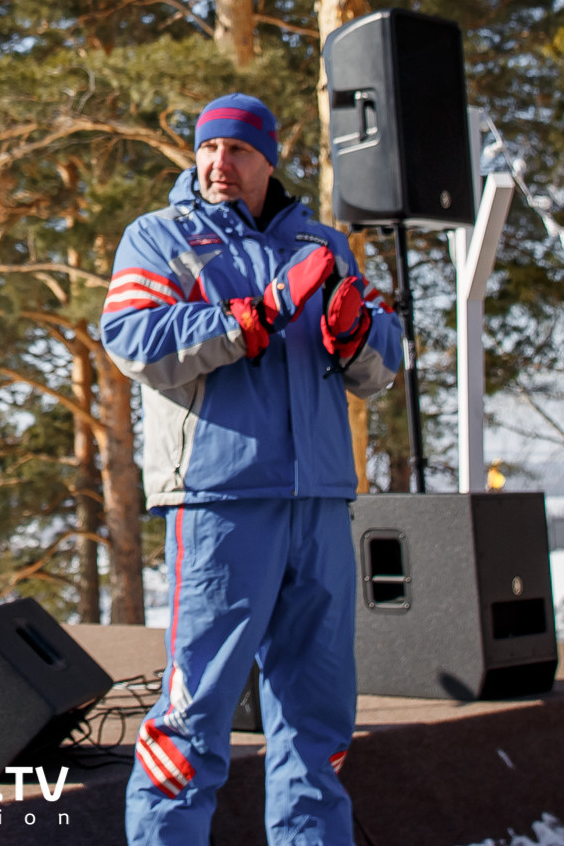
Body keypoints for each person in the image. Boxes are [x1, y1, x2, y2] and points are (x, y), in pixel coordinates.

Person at [100, 94, 403, 846]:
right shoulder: (160, 236)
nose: (218, 163)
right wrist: (251, 316)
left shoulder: (324, 243)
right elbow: (131, 338)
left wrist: (357, 332)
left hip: (320, 501)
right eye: (207, 148)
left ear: (269, 158)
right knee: (195, 710)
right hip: (219, 502)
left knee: (318, 713)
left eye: (236, 149)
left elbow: (384, 364)